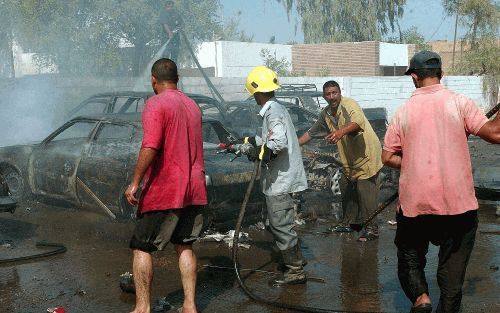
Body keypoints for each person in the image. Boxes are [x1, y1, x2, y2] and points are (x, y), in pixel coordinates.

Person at [382, 50, 500, 313]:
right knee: (451, 280)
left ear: (414, 76)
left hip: (416, 207)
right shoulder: (459, 103)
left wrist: (411, 161)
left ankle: (421, 299)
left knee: (410, 259)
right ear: (441, 74)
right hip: (458, 207)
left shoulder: (403, 112)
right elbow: (495, 133)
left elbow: (387, 157)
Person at [124, 58, 207, 313]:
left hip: (166, 189)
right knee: (184, 245)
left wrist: (135, 183)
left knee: (141, 247)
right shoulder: (193, 106)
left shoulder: (155, 103)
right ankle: (190, 306)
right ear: (177, 78)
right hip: (194, 189)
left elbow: (151, 145)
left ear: (153, 79)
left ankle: (142, 308)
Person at [240, 66, 308, 285]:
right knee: (278, 223)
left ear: (256, 92)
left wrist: (259, 152)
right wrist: (252, 142)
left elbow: (277, 143)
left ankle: (295, 271)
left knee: (280, 225)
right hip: (278, 179)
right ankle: (295, 261)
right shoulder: (275, 109)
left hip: (281, 180)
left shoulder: (272, 110)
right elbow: (272, 140)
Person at [298, 80, 383, 242]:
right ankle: (350, 223)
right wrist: (293, 145)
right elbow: (311, 133)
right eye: (328, 94)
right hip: (350, 159)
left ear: (339, 93)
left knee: (366, 193)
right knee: (346, 186)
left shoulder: (349, 104)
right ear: (324, 96)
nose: (331, 97)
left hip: (367, 155)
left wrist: (340, 132)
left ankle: (372, 229)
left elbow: (357, 122)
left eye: (334, 93)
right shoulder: (326, 114)